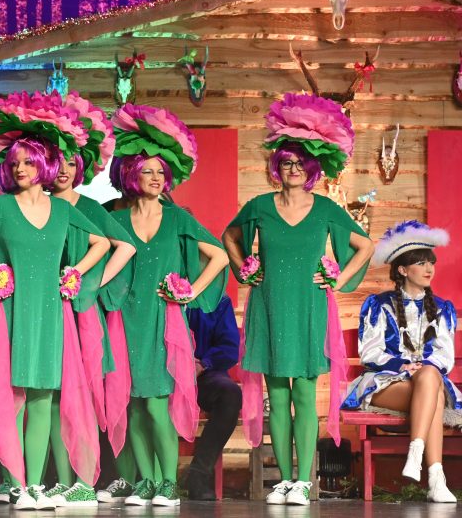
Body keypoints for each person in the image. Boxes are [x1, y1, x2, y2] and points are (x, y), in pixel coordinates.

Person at [0, 91, 110, 510]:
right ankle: (16, 484)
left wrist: (74, 272)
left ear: (44, 165)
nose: (20, 169)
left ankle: (34, 485)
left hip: (51, 311)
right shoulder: (0, 206)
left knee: (43, 399)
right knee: (12, 398)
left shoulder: (62, 210)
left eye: (28, 162)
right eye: (15, 163)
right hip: (11, 311)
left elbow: (103, 242)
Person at [223, 93, 373, 506]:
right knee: (278, 397)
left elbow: (364, 245)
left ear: (312, 168)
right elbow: (229, 236)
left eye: (300, 163)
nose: (293, 168)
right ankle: (285, 481)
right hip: (269, 307)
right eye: (286, 162)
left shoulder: (325, 209)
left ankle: (303, 481)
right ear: (277, 166)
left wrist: (338, 277)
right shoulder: (259, 206)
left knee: (304, 394)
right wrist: (244, 268)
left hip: (309, 308)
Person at [105, 103, 229, 507]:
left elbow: (220, 256)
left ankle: (168, 483)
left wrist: (190, 291)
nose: (156, 178)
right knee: (133, 406)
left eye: (161, 171)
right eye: (147, 171)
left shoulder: (177, 219)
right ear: (131, 174)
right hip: (124, 319)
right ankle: (145, 481)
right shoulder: (115, 221)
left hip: (162, 321)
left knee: (157, 405)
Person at [46, 92, 136, 506]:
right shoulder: (36, 206)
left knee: (79, 396)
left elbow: (125, 247)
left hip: (80, 313)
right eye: (57, 161)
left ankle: (85, 477)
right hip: (45, 311)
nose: (64, 169)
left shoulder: (90, 208)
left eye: (71, 161)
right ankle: (62, 479)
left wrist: (91, 280)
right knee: (51, 397)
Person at [342, 221, 460, 504]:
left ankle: (416, 454)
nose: (429, 269)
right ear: (403, 270)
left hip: (426, 381)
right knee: (432, 393)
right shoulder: (379, 304)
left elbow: (444, 354)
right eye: (421, 263)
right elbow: (370, 352)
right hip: (388, 382)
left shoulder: (442, 308)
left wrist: (423, 367)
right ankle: (435, 477)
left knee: (430, 378)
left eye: (431, 262)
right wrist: (402, 365)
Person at [185, 295, 242, 501]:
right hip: (163, 372)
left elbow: (229, 347)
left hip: (204, 372)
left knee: (230, 394)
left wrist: (203, 363)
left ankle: (198, 475)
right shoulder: (161, 291)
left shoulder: (217, 299)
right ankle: (140, 477)